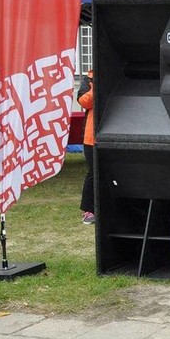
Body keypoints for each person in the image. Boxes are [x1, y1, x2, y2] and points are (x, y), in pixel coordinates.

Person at [76, 71, 95, 225]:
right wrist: (95, 88)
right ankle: (89, 210)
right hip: (91, 137)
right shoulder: (87, 80)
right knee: (93, 173)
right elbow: (84, 102)